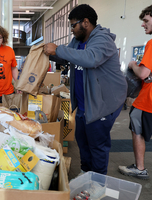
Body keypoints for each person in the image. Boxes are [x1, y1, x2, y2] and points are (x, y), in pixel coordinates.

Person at [43, 4, 127, 175]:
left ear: (86, 22)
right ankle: (85, 173)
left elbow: (91, 59)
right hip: (83, 105)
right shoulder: (77, 41)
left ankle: (98, 182)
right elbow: (68, 55)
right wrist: (49, 52)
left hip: (101, 104)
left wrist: (58, 49)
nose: (72, 29)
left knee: (97, 146)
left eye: (73, 25)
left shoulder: (103, 40)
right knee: (83, 142)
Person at [118, 3, 152, 180]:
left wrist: (133, 64)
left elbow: (143, 74)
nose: (143, 24)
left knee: (136, 124)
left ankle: (139, 168)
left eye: (146, 20)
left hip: (150, 100)